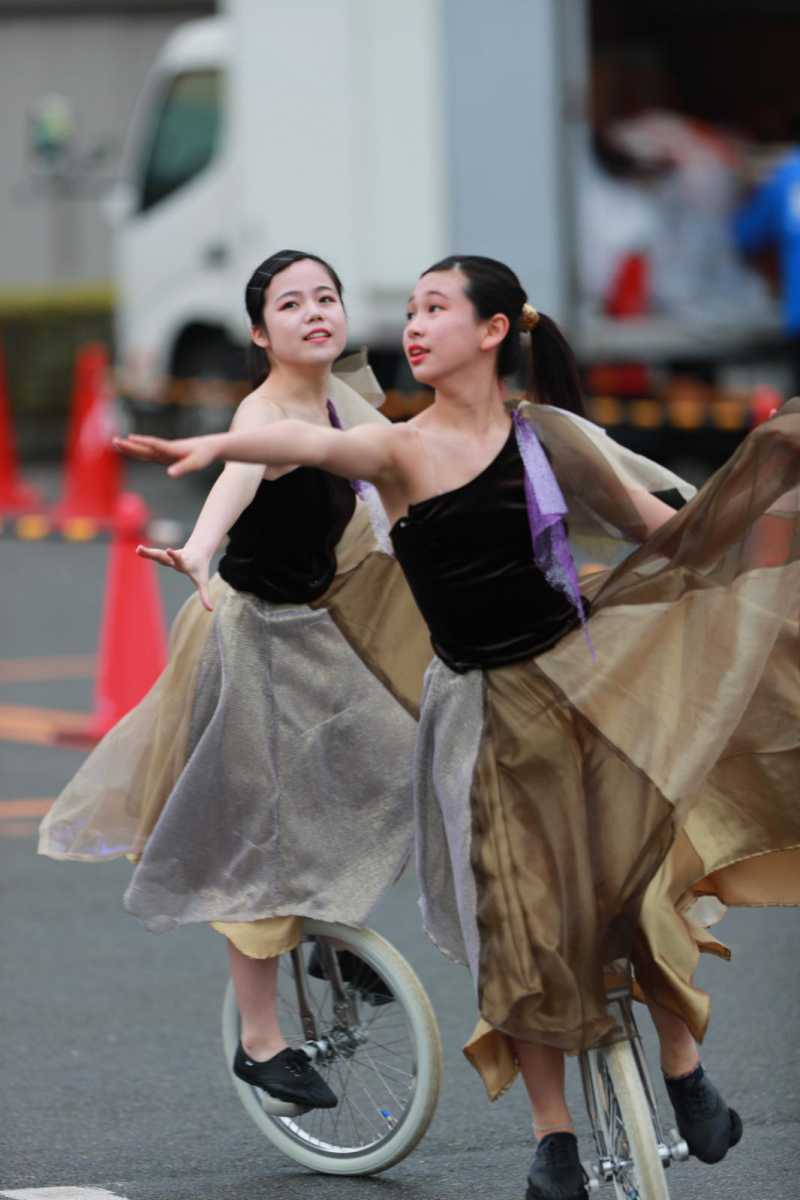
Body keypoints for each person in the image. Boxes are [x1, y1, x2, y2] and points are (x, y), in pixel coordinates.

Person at [120, 254, 800, 1200]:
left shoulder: (550, 438)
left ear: (492, 331)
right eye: (408, 310)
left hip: (582, 690)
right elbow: (302, 442)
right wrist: (216, 450)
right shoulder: (398, 449)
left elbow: (661, 530)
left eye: (434, 308)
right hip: (476, 714)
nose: (412, 325)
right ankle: (553, 1139)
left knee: (633, 886)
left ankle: (684, 1070)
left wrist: (763, 509)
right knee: (514, 923)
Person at [38, 249, 427, 1113]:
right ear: (259, 333)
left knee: (395, 756)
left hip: (323, 633)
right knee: (257, 836)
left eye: (326, 297)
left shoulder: (342, 401)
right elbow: (238, 477)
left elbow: (398, 483)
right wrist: (198, 548)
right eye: (291, 304)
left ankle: (327, 931)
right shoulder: (263, 410)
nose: (315, 312)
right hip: (253, 640)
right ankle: (261, 1041)